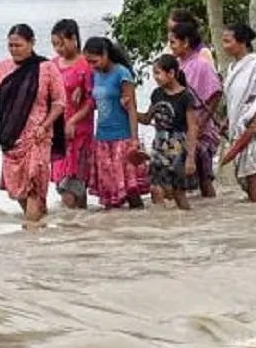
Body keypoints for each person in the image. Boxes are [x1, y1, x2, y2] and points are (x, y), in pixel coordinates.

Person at [0, 24, 66, 228]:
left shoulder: (46, 68)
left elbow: (60, 103)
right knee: (20, 193)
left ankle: (30, 238)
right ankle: (38, 225)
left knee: (34, 187)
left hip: (37, 137)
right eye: (11, 46)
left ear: (31, 43)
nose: (14, 49)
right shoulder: (3, 67)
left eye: (18, 45)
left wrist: (45, 125)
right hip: (11, 138)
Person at [84, 36, 149, 209]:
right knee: (109, 193)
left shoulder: (122, 74)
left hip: (123, 138)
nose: (92, 66)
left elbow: (132, 108)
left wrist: (134, 140)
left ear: (105, 54)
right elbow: (98, 103)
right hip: (102, 140)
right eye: (88, 62)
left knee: (131, 191)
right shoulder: (95, 75)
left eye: (95, 61)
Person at [221, 22, 256, 202]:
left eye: (228, 41)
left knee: (252, 170)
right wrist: (227, 121)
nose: (224, 46)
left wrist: (255, 122)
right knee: (242, 174)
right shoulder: (232, 68)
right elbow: (234, 100)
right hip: (238, 125)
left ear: (242, 42)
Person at [138, 54, 200, 210]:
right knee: (155, 187)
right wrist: (128, 110)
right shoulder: (157, 94)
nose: (155, 77)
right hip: (159, 145)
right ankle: (162, 223)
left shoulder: (186, 97)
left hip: (179, 146)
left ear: (171, 73)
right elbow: (146, 118)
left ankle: (184, 220)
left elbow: (193, 128)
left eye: (158, 73)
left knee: (178, 192)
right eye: (154, 73)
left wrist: (191, 158)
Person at [168, 20, 222, 198]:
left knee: (203, 176)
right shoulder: (175, 66)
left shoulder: (202, 64)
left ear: (186, 42)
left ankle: (210, 208)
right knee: (177, 174)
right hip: (180, 127)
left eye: (173, 42)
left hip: (199, 128)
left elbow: (215, 94)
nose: (171, 47)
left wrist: (202, 122)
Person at [50, 19, 95, 209]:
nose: (57, 49)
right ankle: (81, 230)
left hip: (79, 132)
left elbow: (92, 100)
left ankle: (72, 231)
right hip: (58, 130)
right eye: (54, 44)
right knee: (64, 185)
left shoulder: (86, 65)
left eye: (61, 43)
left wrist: (74, 120)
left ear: (74, 39)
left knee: (72, 186)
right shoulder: (52, 65)